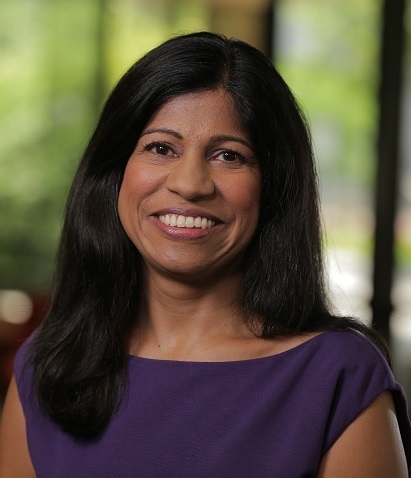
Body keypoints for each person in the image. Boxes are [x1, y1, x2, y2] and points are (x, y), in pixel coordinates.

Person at [0, 31, 409, 477]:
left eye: (229, 156)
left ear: (272, 188)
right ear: (114, 174)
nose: (190, 183)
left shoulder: (337, 377)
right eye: (160, 148)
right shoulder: (48, 368)